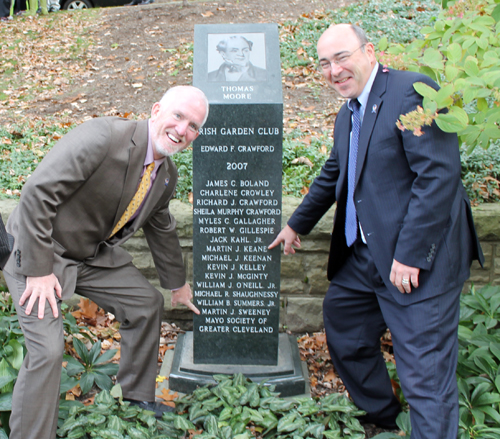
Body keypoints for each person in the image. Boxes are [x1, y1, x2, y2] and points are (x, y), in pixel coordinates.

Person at [269, 24, 483, 438]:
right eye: (325, 63)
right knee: (344, 322)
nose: (333, 70)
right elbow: (336, 172)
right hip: (368, 255)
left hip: (419, 262)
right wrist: (297, 224)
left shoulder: (411, 92)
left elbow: (438, 178)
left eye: (342, 57)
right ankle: (381, 418)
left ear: (369, 51)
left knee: (426, 375)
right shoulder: (348, 114)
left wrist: (411, 254)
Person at [3, 85, 209, 439]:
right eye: (178, 116)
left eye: (193, 126)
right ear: (157, 110)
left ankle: (135, 397)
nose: (183, 130)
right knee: (48, 351)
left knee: (146, 304)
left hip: (87, 255)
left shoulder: (166, 176)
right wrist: (37, 271)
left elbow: (162, 230)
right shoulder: (103, 137)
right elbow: (38, 193)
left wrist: (177, 284)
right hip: (38, 249)